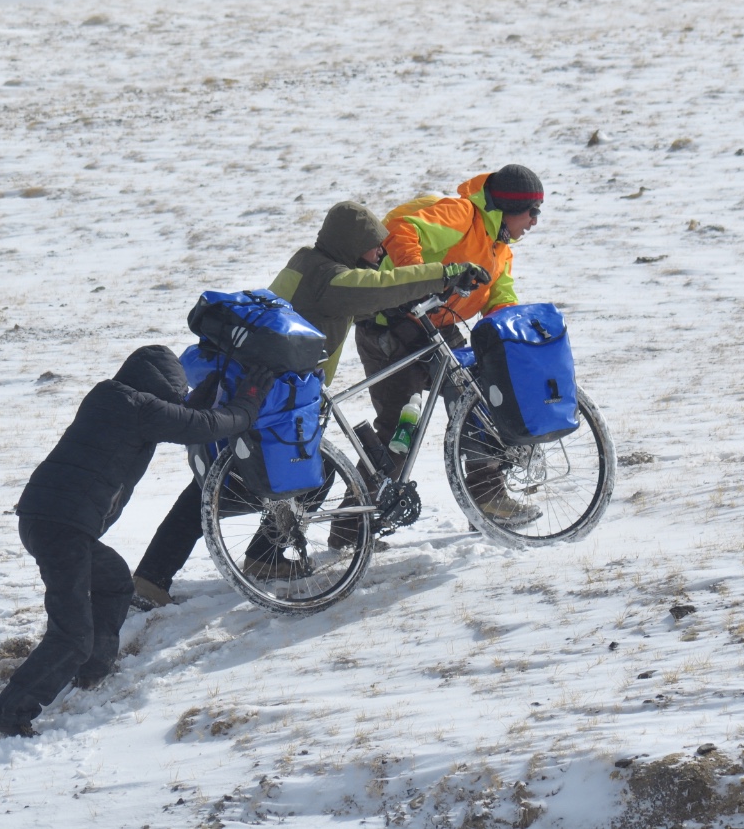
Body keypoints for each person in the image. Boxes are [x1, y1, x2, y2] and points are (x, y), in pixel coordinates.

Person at [130, 201, 489, 607]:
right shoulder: (331, 279)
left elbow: (370, 292)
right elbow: (378, 287)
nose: (380, 255)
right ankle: (170, 575)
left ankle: (205, 568)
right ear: (353, 246)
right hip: (278, 395)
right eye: (374, 248)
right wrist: (445, 274)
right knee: (254, 481)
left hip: (268, 386)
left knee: (263, 477)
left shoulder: (307, 261)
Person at [0, 345, 273, 738]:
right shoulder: (140, 408)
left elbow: (186, 417)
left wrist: (197, 401)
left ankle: (93, 668)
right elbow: (204, 426)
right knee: (70, 634)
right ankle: (9, 715)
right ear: (161, 384)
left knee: (115, 582)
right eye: (176, 390)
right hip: (63, 526)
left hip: (44, 518)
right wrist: (249, 402)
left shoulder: (111, 396)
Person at [353, 164, 544, 524]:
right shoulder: (461, 215)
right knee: (399, 433)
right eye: (532, 212)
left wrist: (510, 334)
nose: (535, 221)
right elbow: (401, 232)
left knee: (476, 402)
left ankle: (488, 499)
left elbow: (499, 296)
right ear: (508, 208)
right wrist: (423, 282)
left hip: (437, 326)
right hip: (393, 327)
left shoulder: (499, 247)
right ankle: (351, 530)